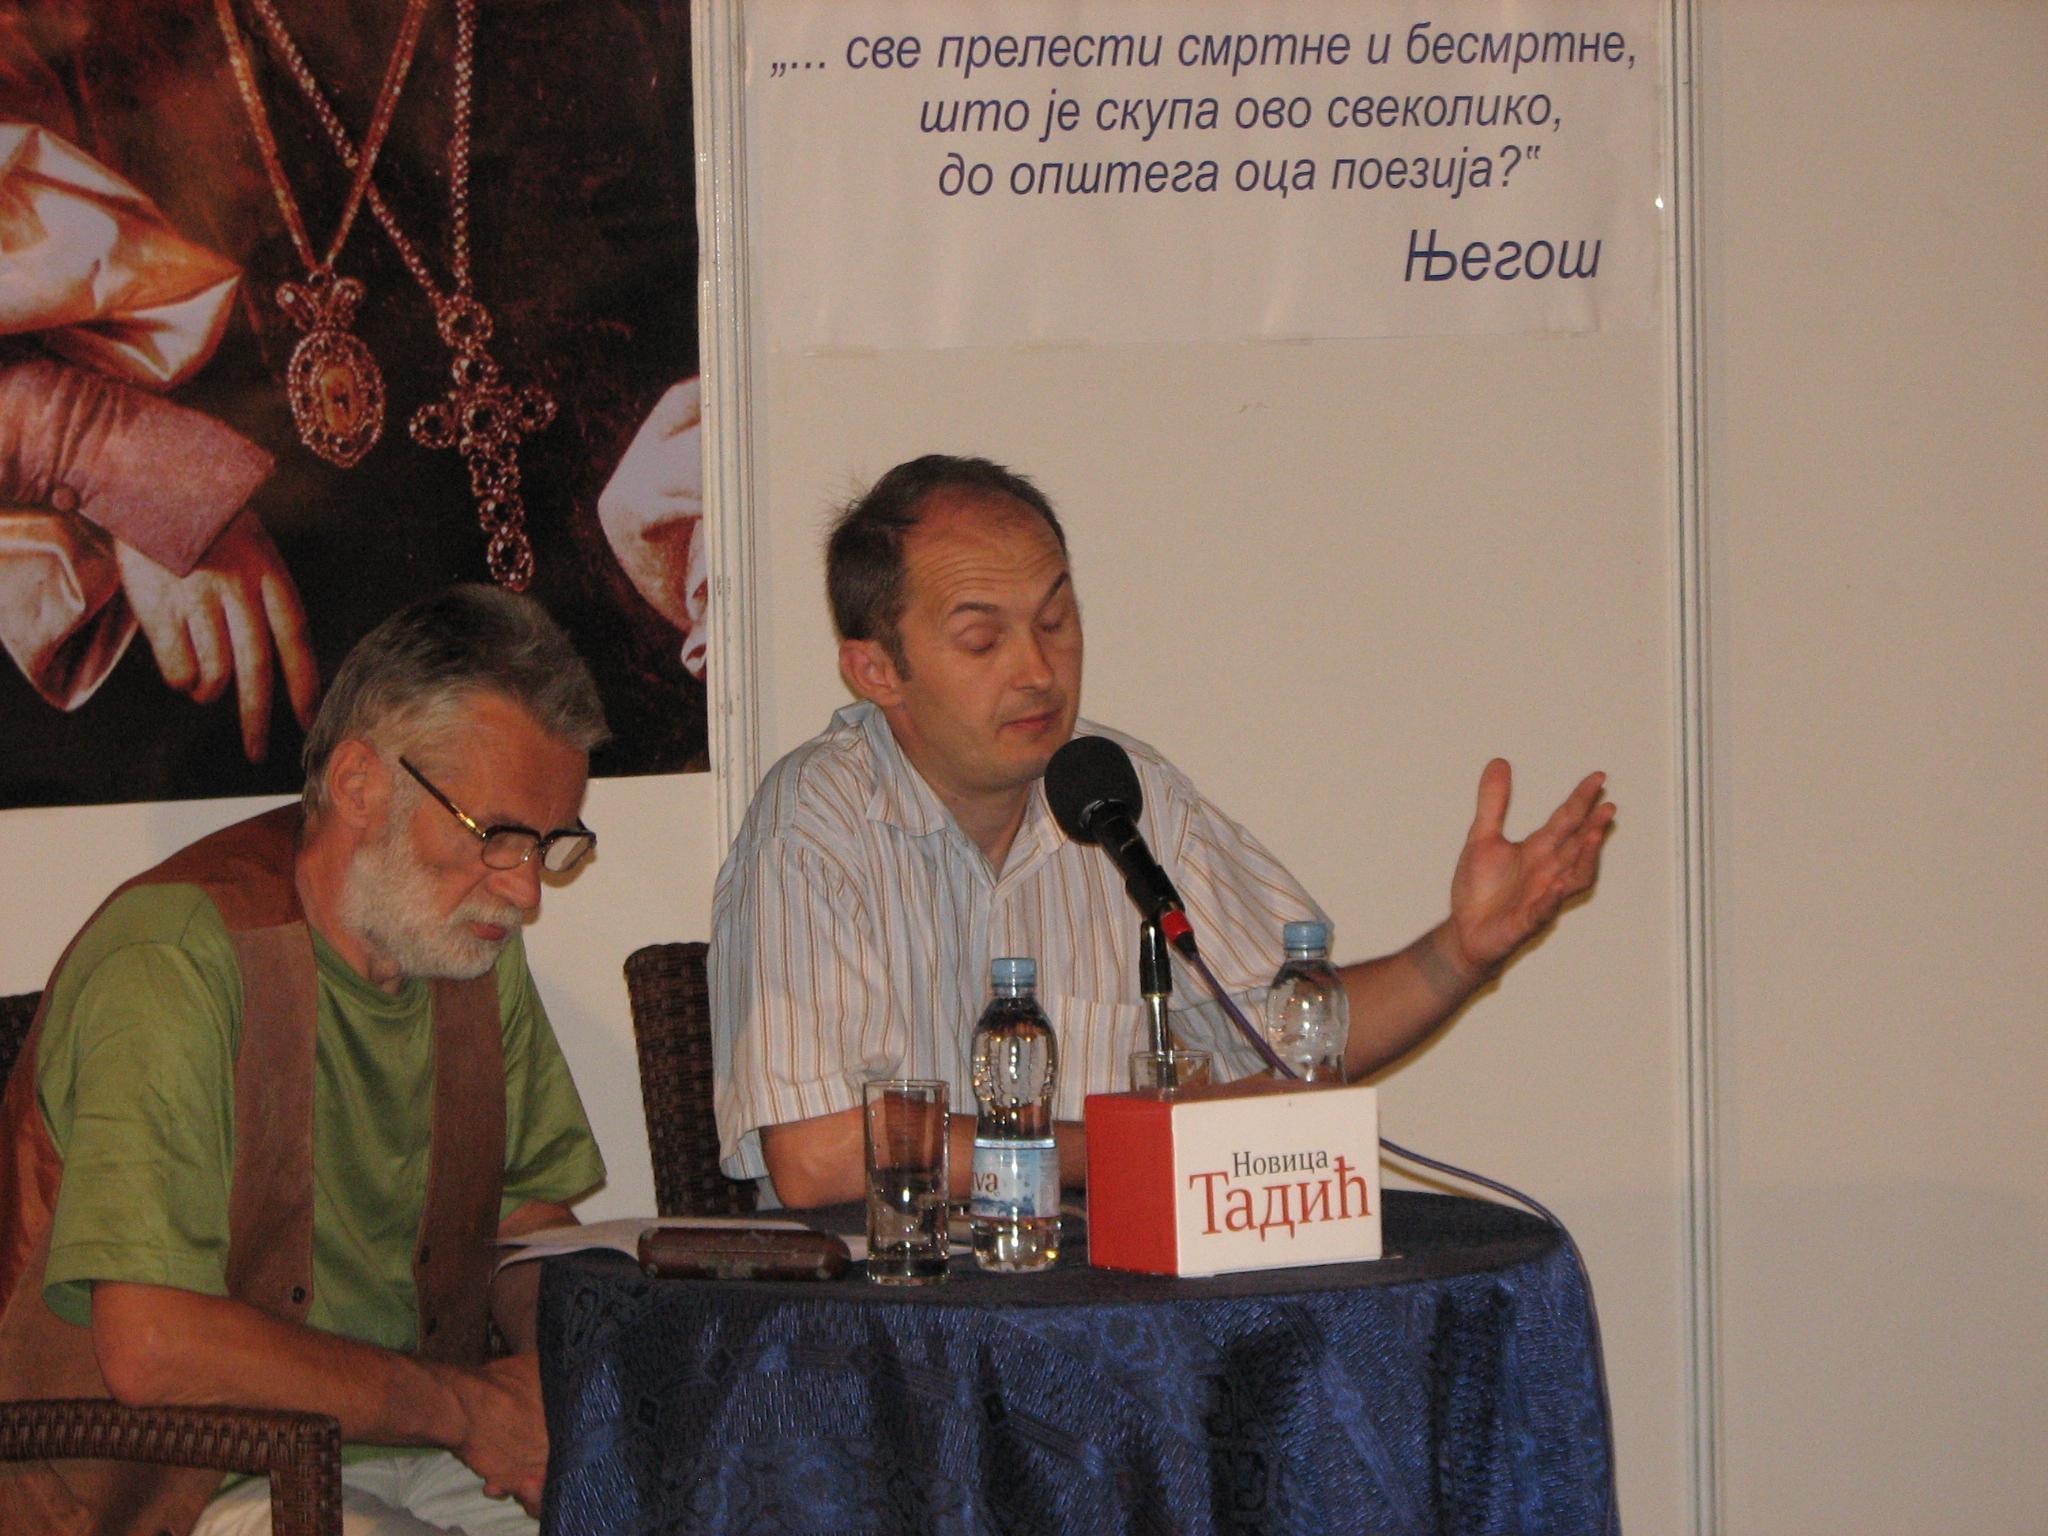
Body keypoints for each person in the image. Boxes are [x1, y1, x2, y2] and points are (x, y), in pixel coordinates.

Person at [710, 454, 1616, 1209]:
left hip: (1118, 1302)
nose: (1039, 670)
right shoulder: (815, 825)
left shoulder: (1119, 792)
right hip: (901, 1327)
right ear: (876, 670)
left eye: (1056, 621)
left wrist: (1464, 949)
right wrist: (1141, 1142)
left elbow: (1286, 1033)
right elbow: (818, 1157)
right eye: (984, 642)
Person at [0, 585, 610, 1535]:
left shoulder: (466, 946)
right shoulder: (175, 960)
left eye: (549, 844)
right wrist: (466, 1409)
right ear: (361, 785)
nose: (526, 890)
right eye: (498, 836)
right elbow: (152, 1345)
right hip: (179, 1482)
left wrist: (551, 1377)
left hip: (423, 1451)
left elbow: (527, 1219)